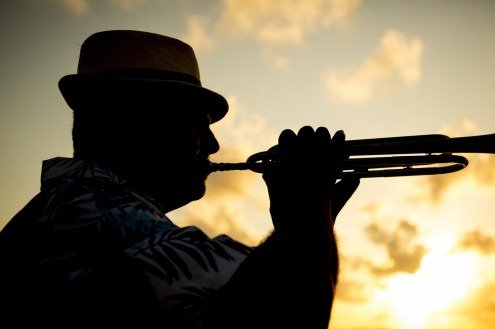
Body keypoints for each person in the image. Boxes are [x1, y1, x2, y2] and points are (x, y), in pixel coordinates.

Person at [0, 30, 359, 328]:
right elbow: (282, 317)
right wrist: (309, 215)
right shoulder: (103, 217)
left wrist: (312, 220)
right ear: (140, 123)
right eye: (198, 126)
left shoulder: (63, 208)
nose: (214, 144)